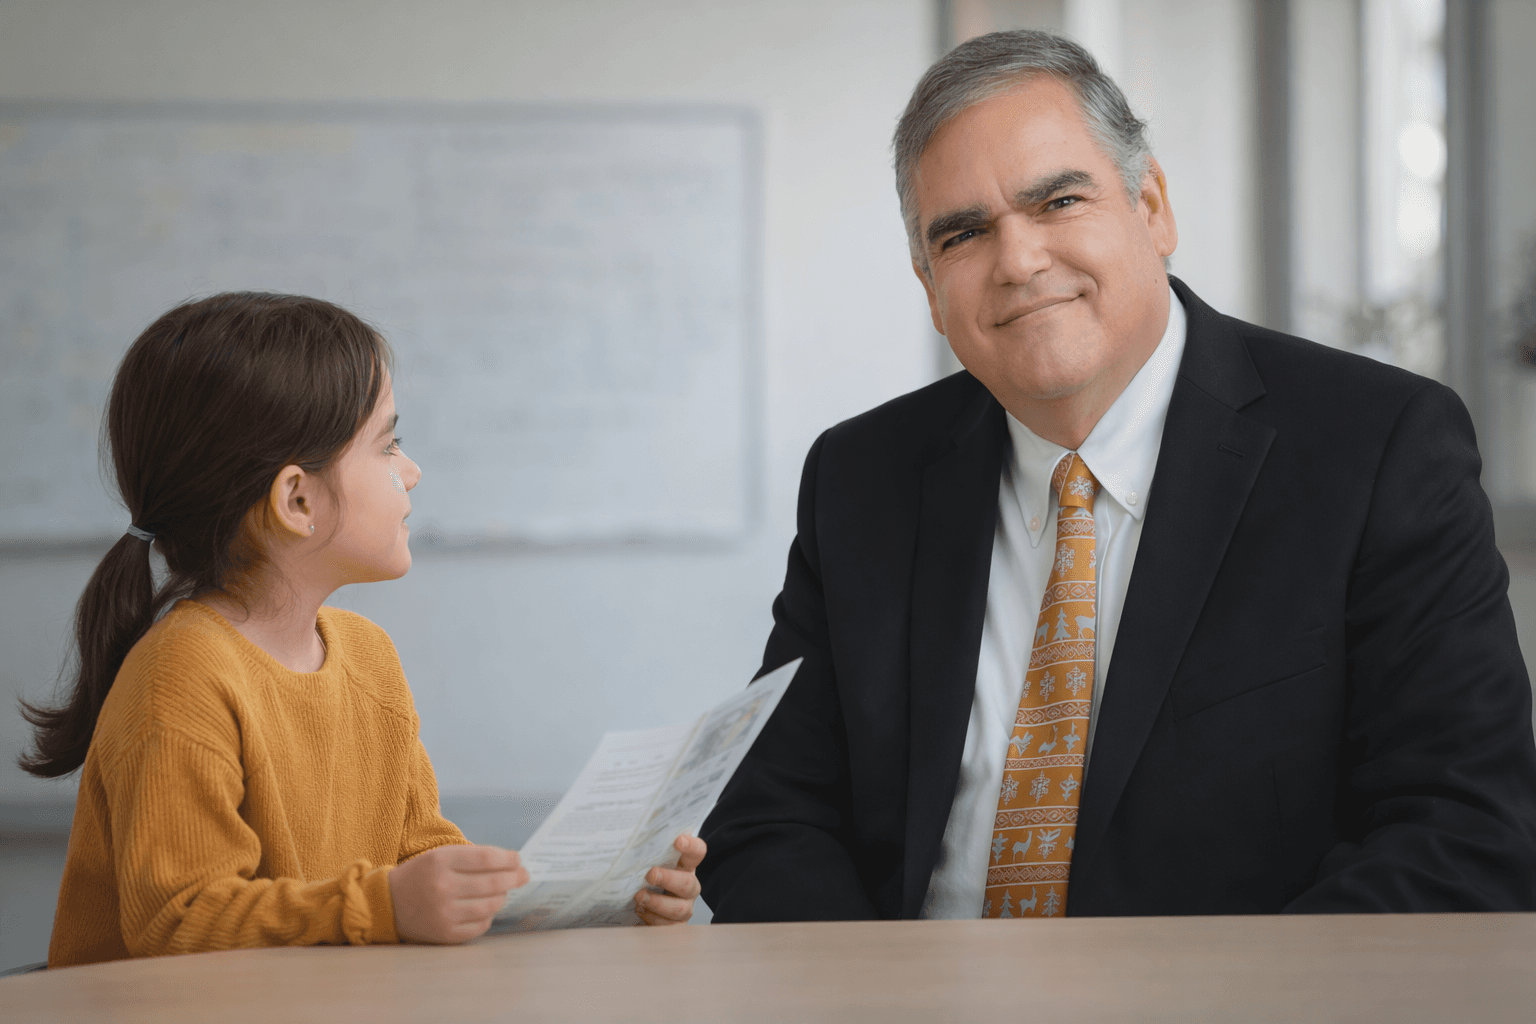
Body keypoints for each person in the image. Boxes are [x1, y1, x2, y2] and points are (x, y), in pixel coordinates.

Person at [698, 30, 1536, 920]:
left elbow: (1465, 831)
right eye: (964, 233)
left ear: (1152, 205)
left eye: (1058, 200)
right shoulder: (860, 478)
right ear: (928, 283)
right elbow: (769, 816)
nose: (1018, 260)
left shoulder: (1376, 446)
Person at [23, 293, 705, 967]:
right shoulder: (181, 677)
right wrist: (383, 907)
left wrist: (598, 902)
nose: (412, 471)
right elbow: (178, 922)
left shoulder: (367, 656)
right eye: (388, 445)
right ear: (297, 500)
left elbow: (421, 859)